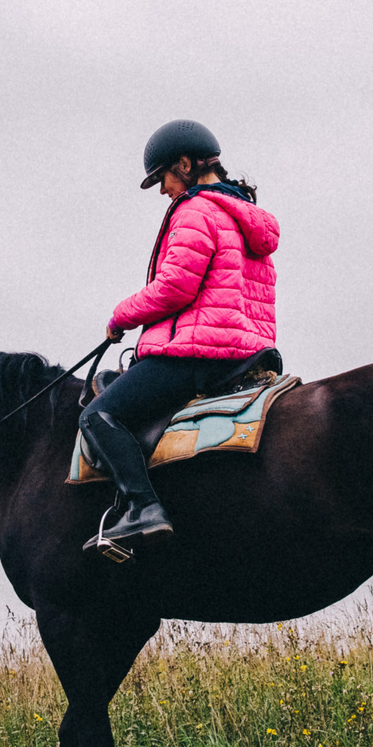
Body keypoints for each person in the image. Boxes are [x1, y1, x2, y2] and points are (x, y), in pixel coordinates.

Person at [79, 119, 281, 557]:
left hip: (198, 352)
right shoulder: (242, 212)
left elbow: (175, 287)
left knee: (97, 416)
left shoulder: (195, 210)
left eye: (164, 177)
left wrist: (120, 317)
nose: (162, 190)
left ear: (186, 165)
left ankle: (142, 508)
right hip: (244, 349)